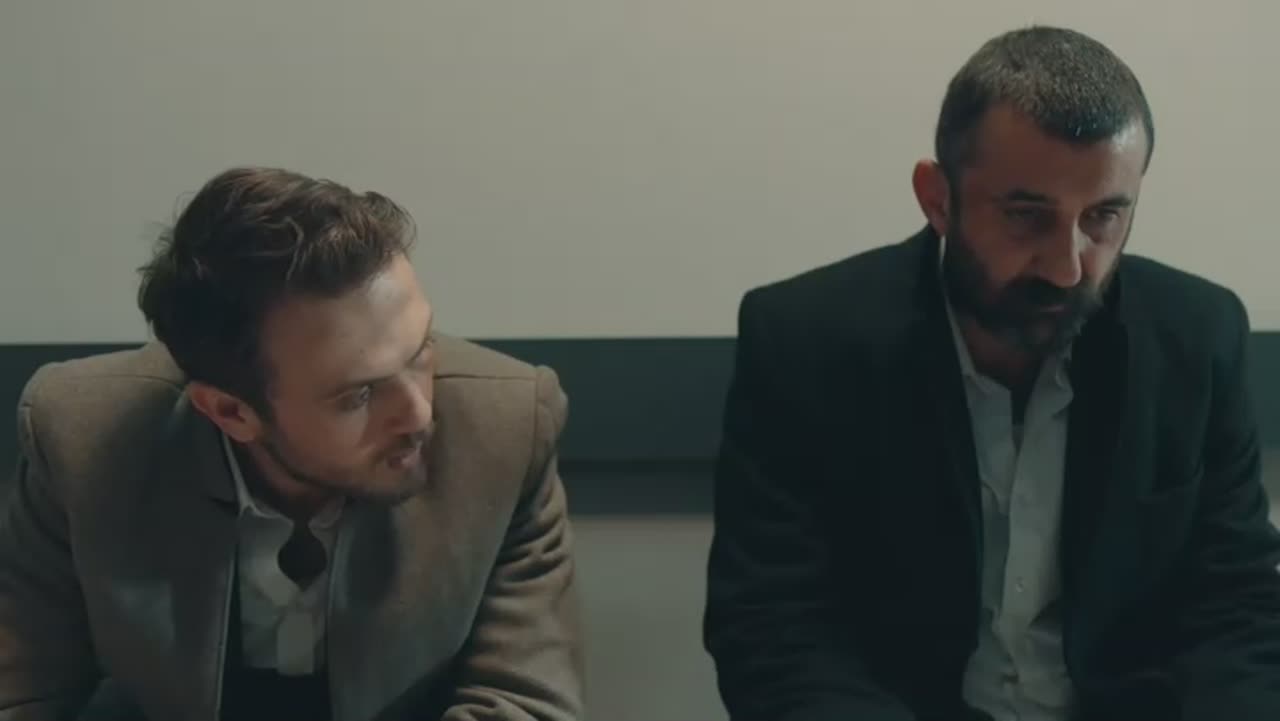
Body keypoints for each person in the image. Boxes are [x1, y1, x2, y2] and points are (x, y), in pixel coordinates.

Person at [704, 26, 1280, 721]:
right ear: (937, 198)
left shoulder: (1196, 337)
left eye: (1103, 217)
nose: (1067, 266)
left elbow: (1238, 606)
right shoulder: (806, 343)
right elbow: (773, 627)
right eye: (1026, 216)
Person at [0, 167, 583, 720]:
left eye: (420, 350)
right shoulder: (79, 440)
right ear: (231, 412)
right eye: (359, 394)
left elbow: (522, 701)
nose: (419, 413)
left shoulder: (507, 429)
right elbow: (19, 695)